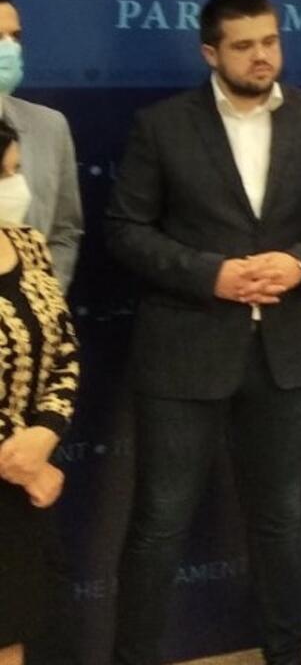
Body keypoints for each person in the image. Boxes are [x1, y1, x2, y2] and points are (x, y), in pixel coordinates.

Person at [106, 0, 301, 665]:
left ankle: (286, 653)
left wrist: (300, 262)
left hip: (289, 352)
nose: (261, 56)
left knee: (281, 519)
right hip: (185, 351)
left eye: (270, 41)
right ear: (210, 53)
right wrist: (210, 274)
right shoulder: (162, 125)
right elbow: (126, 229)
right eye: (244, 45)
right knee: (161, 522)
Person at [0, 117, 80, 665]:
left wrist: (45, 433)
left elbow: (65, 349)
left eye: (17, 171)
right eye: (4, 175)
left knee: (14, 627)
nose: (17, 187)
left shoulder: (28, 244)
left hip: (21, 483)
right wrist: (19, 458)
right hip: (16, 468)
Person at [0, 0, 85, 291]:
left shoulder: (49, 127)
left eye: (15, 37)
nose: (9, 48)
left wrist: (43, 296)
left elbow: (64, 231)